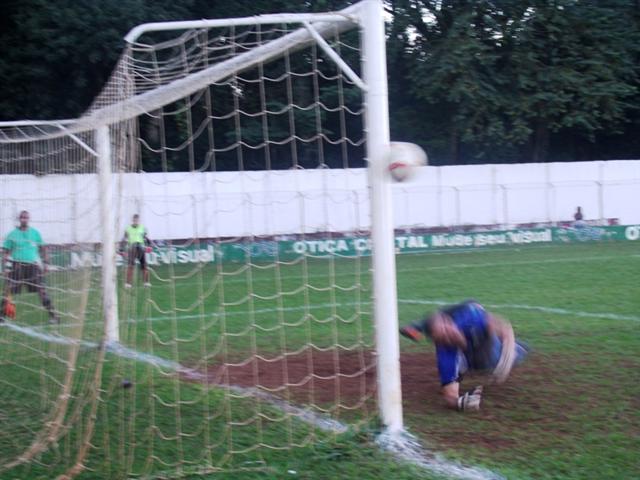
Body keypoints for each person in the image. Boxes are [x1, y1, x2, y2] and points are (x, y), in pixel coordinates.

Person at [399, 300, 528, 412]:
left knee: (501, 355)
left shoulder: (469, 318)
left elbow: (502, 326)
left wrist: (507, 356)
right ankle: (420, 326)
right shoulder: (445, 352)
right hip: (471, 359)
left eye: (446, 328)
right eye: (442, 336)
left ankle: (517, 348)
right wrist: (462, 403)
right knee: (476, 362)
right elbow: (450, 397)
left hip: (487, 346)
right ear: (438, 340)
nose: (448, 334)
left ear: (449, 321)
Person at [1, 211, 58, 323]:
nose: (24, 219)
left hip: (32, 266)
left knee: (42, 291)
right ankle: (1, 317)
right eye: (22, 217)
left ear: (29, 219)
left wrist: (46, 263)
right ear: (19, 219)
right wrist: (5, 268)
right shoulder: (12, 234)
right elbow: (6, 252)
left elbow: (43, 248)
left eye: (26, 217)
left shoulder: (35, 233)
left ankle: (54, 316)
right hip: (17, 266)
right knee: (8, 291)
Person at [121, 214, 152, 288]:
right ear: (133, 220)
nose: (136, 221)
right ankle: (128, 283)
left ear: (139, 220)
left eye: (137, 220)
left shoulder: (142, 228)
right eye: (135, 220)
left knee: (144, 266)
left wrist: (149, 245)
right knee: (130, 266)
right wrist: (121, 249)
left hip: (141, 248)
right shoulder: (128, 228)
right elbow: (124, 239)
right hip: (132, 248)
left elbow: (146, 238)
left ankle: (146, 282)